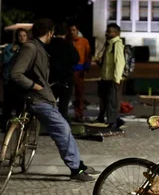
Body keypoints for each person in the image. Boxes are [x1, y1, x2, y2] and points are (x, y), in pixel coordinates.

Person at [10, 18, 97, 181]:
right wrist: (35, 86)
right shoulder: (30, 47)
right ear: (49, 33)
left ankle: (78, 164)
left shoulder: (40, 47)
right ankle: (76, 169)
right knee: (62, 129)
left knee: (64, 127)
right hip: (36, 99)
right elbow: (16, 73)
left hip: (43, 97)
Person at [46, 23, 80, 122]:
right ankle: (63, 126)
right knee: (63, 106)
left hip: (52, 79)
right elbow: (76, 59)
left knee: (50, 104)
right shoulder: (68, 45)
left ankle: (49, 124)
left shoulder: (48, 45)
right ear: (65, 34)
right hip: (66, 79)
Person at [96, 23, 125, 129]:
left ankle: (113, 122)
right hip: (105, 78)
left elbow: (119, 62)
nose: (106, 33)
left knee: (112, 101)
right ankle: (113, 119)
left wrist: (117, 79)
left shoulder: (117, 44)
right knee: (104, 99)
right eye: (107, 31)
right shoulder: (109, 44)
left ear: (116, 33)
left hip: (112, 79)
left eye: (109, 32)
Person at [2, 28, 29, 129]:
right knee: (8, 103)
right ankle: (6, 123)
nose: (22, 38)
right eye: (20, 36)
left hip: (22, 79)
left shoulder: (28, 48)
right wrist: (11, 52)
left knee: (20, 103)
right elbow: (4, 61)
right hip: (10, 79)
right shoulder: (10, 48)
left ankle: (18, 123)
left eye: (24, 35)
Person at [68, 22, 91, 122]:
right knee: (66, 93)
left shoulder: (84, 41)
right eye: (70, 30)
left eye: (74, 30)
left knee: (80, 94)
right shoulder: (66, 41)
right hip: (68, 70)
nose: (72, 32)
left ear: (77, 30)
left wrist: (86, 66)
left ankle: (79, 114)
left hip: (79, 70)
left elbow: (88, 54)